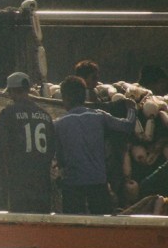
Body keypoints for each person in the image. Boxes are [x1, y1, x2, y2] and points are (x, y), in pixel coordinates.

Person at [53, 75, 136, 215]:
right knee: (101, 222)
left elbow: (60, 158)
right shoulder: (99, 116)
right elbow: (127, 126)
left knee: (72, 223)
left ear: (64, 98)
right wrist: (132, 109)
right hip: (98, 183)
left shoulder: (59, 124)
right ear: (84, 96)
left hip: (72, 185)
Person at [0, 72, 56, 213]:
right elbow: (52, 149)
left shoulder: (8, 113)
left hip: (18, 183)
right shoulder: (45, 116)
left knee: (19, 223)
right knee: (41, 223)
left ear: (12, 91)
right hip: (42, 184)